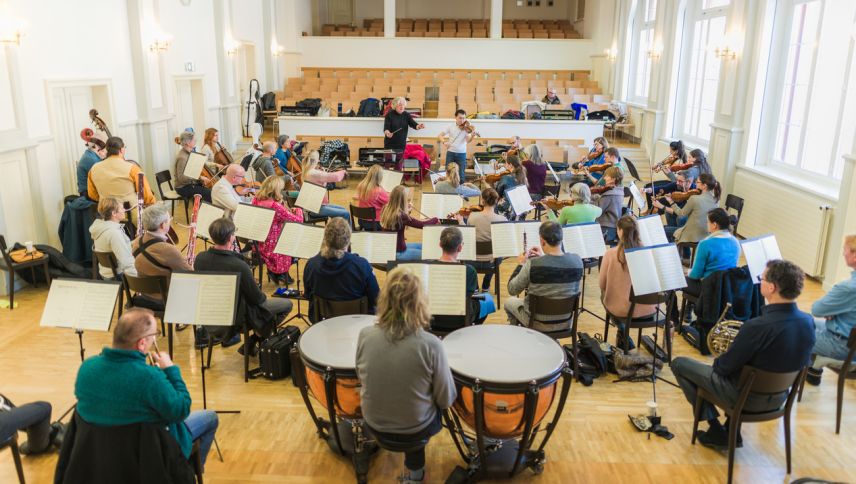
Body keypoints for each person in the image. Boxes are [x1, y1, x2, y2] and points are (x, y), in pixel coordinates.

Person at [671, 260, 815, 449]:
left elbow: (722, 368)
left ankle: (715, 428)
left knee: (679, 364)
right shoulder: (808, 321)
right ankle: (732, 430)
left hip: (745, 398)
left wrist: (726, 354)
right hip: (781, 397)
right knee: (749, 368)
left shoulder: (756, 326)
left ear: (771, 287)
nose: (760, 281)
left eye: (762, 278)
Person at [74, 308, 219, 468]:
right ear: (142, 343)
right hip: (147, 457)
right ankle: (185, 472)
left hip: (100, 456)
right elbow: (181, 410)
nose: (154, 340)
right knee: (210, 418)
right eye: (154, 335)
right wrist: (170, 370)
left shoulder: (87, 368)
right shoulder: (149, 378)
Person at [356, 267, 456, 484]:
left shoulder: (365, 335)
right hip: (416, 431)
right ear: (420, 302)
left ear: (384, 299)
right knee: (418, 410)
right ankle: (416, 476)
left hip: (373, 423)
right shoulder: (431, 344)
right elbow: (446, 399)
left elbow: (361, 376)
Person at [195, 218, 291, 350]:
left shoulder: (200, 258)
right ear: (230, 238)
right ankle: (256, 338)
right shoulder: (239, 265)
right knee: (286, 305)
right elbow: (257, 299)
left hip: (211, 314)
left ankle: (255, 340)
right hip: (237, 317)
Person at [505, 221, 584, 331]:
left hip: (536, 323)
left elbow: (512, 289)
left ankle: (520, 335)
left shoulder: (533, 264)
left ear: (542, 241)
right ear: (561, 239)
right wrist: (544, 257)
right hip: (565, 322)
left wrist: (521, 264)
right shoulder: (578, 261)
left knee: (509, 302)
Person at [303, 217, 380, 321]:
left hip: (324, 324)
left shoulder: (311, 265)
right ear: (348, 240)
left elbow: (308, 295)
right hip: (357, 323)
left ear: (325, 239)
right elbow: (376, 298)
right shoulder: (362, 266)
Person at [807, 235, 856, 385]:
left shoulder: (848, 288)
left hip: (843, 346)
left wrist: (832, 310)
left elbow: (817, 309)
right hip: (849, 337)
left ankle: (785, 378)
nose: (843, 253)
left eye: (845, 250)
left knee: (794, 330)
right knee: (806, 320)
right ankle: (813, 370)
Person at [599, 216, 656, 319]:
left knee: (603, 295)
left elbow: (602, 285)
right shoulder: (649, 252)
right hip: (649, 308)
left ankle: (621, 326)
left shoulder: (611, 254)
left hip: (623, 311)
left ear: (620, 231)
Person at [252, 176, 303, 286]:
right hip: (274, 244)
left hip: (260, 240)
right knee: (296, 241)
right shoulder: (275, 206)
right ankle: (280, 273)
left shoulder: (256, 199)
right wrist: (298, 210)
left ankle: (276, 272)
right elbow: (298, 220)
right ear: (276, 190)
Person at [437, 226, 489, 325]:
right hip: (459, 320)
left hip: (431, 318)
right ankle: (471, 328)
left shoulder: (427, 267)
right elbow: (471, 296)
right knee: (488, 301)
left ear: (440, 244)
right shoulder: (469, 270)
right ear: (460, 248)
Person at [87, 136, 156, 211]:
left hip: (106, 213)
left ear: (106, 150)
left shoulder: (93, 169)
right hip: (130, 213)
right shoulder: (133, 168)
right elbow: (146, 195)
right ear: (121, 150)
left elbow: (92, 194)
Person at [684, 208, 740, 296]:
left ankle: (676, 305)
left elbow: (696, 275)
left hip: (709, 288)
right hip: (727, 288)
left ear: (714, 225)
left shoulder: (705, 244)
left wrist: (688, 271)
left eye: (707, 222)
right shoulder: (736, 242)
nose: (706, 224)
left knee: (678, 280)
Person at [654, 172, 721, 244]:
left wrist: (670, 201)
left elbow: (681, 213)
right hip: (706, 234)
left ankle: (676, 247)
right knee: (677, 220)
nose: (695, 184)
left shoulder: (695, 198)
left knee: (662, 230)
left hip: (693, 234)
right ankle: (680, 247)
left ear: (704, 186)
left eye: (697, 182)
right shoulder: (716, 199)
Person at [380, 185, 440, 261]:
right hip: (398, 252)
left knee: (426, 247)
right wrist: (436, 219)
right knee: (430, 255)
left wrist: (407, 210)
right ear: (403, 200)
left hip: (391, 249)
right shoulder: (401, 216)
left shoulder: (386, 209)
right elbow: (422, 225)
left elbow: (401, 221)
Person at [132, 203, 191, 279]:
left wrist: (179, 259)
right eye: (169, 220)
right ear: (162, 225)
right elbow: (190, 273)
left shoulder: (136, 241)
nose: (170, 222)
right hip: (167, 286)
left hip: (144, 285)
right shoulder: (168, 249)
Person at [467, 188, 507, 292]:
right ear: (496, 201)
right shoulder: (502, 220)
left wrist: (460, 221)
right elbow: (503, 243)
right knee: (499, 252)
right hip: (492, 262)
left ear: (482, 201)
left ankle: (475, 286)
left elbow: (467, 237)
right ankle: (486, 284)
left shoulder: (472, 217)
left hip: (472, 261)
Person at [90, 197, 137, 279]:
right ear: (114, 213)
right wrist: (140, 277)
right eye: (122, 208)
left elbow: (117, 247)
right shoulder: (114, 233)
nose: (124, 210)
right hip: (118, 276)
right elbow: (127, 262)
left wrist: (136, 242)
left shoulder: (101, 227)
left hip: (106, 274)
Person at [302, 150, 351, 221]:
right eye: (318, 158)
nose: (319, 160)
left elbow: (322, 180)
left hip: (313, 205)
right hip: (314, 208)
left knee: (343, 209)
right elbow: (336, 177)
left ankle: (336, 227)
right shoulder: (314, 173)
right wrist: (343, 171)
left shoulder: (307, 171)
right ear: (316, 160)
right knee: (346, 213)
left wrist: (324, 172)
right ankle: (344, 228)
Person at [173, 131, 212, 203]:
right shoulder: (182, 157)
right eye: (194, 140)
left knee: (210, 190)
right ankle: (203, 209)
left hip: (190, 184)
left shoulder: (189, 153)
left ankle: (200, 207)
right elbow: (182, 178)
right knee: (208, 193)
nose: (196, 141)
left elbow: (191, 172)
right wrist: (200, 177)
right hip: (182, 188)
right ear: (188, 143)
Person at [645, 140, 687, 206]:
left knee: (650, 189)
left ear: (676, 151)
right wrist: (657, 165)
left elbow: (674, 178)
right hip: (670, 181)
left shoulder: (679, 162)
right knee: (647, 186)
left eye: (671, 150)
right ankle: (650, 208)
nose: (670, 152)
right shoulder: (674, 158)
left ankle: (653, 208)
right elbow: (663, 163)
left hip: (673, 184)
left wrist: (663, 168)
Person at [438, 109, 476, 181]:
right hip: (451, 153)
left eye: (464, 118)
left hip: (462, 154)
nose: (462, 120)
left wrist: (472, 136)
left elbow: (468, 141)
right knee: (448, 172)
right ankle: (448, 187)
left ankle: (460, 187)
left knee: (461, 174)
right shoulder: (450, 126)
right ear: (455, 117)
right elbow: (440, 136)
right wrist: (444, 142)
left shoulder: (466, 128)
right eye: (460, 118)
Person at [593, 166, 624, 243]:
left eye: (607, 176)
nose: (604, 178)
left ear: (613, 179)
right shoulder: (619, 190)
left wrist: (592, 197)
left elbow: (596, 211)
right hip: (613, 225)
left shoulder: (610, 194)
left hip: (606, 228)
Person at [353, 164, 389, 231]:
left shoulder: (361, 185)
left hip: (361, 220)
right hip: (375, 223)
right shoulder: (379, 191)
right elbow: (390, 202)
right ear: (379, 177)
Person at [77, 129, 107, 198]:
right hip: (88, 195)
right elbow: (102, 180)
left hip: (90, 192)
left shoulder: (90, 155)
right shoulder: (92, 159)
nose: (105, 150)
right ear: (97, 147)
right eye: (104, 148)